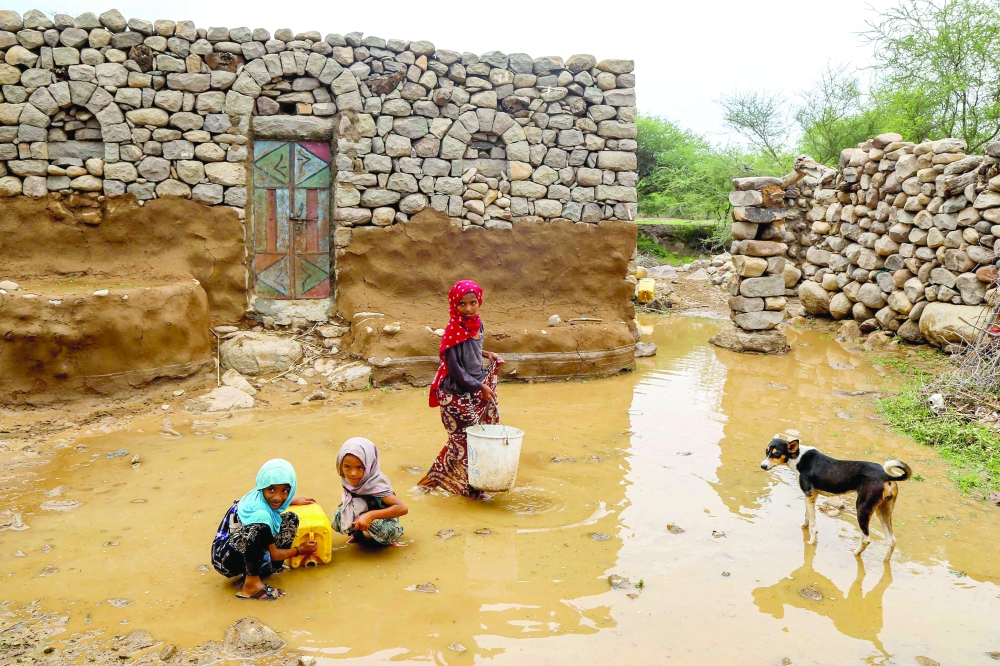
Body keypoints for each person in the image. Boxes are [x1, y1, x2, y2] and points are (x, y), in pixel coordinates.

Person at [418, 280, 504, 499]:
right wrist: (480, 386)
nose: (467, 308)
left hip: (472, 388)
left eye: (472, 302)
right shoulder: (453, 330)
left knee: (464, 440)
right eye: (462, 304)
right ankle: (471, 491)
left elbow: (473, 348)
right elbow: (455, 369)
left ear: (479, 302)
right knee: (466, 442)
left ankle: (431, 481)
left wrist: (488, 354)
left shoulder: (476, 324)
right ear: (454, 305)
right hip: (454, 394)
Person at [211, 459, 317, 601]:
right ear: (262, 487)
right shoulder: (259, 514)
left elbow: (276, 499)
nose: (278, 497)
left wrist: (292, 500)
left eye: (285, 491)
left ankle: (270, 570)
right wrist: (300, 550)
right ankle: (251, 584)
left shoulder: (259, 497)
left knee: (291, 518)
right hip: (226, 559)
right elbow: (275, 554)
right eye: (271, 489)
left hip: (245, 549)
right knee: (260, 526)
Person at [334, 437, 408, 546]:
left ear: (369, 466)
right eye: (347, 467)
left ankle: (391, 538)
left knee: (385, 531)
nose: (353, 473)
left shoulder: (376, 485)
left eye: (359, 467)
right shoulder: (349, 480)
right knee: (341, 513)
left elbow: (402, 508)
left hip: (384, 518)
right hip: (364, 512)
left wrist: (370, 515)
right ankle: (357, 536)